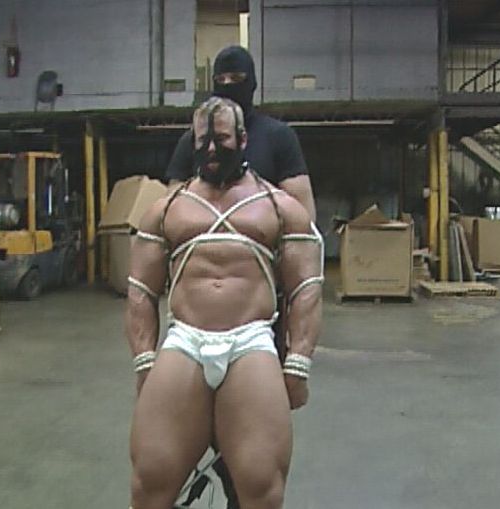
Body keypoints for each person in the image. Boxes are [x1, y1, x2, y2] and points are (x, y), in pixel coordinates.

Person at [126, 97, 323, 509]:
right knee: (150, 480)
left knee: (261, 486)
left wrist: (298, 363)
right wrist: (145, 360)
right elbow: (141, 289)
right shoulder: (165, 211)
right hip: (186, 339)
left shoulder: (279, 207)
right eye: (203, 142)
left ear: (243, 139)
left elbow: (306, 287)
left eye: (222, 140)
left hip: (250, 340)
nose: (212, 150)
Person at [166, 45, 316, 221]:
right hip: (202, 232)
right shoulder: (192, 140)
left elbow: (304, 217)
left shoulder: (279, 137)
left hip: (261, 233)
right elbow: (170, 210)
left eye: (236, 78)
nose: (227, 85)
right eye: (221, 80)